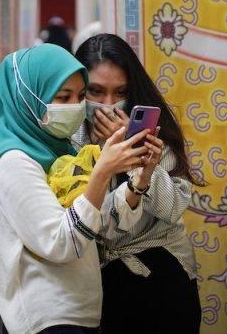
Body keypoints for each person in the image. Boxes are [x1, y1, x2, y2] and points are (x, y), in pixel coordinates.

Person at [0, 43, 163, 334]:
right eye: (63, 97)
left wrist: (140, 180)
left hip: (77, 313)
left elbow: (100, 225)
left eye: (80, 97)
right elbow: (62, 242)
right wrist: (102, 171)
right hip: (47, 317)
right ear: (30, 98)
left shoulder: (57, 151)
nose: (76, 107)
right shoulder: (14, 162)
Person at [73, 33, 203, 333]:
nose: (108, 104)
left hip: (159, 270)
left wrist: (136, 153)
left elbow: (172, 208)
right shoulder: (70, 136)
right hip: (95, 279)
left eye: (120, 92)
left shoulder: (152, 133)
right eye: (95, 91)